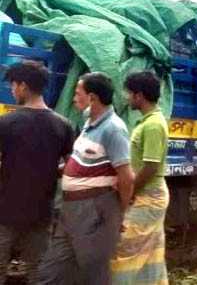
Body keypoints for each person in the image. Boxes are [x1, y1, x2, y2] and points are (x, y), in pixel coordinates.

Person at [39, 72, 135, 285]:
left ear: (92, 98)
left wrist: (118, 214)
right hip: (71, 209)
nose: (73, 99)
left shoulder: (113, 129)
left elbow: (126, 177)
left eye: (77, 93)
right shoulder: (90, 123)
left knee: (95, 273)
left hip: (95, 209)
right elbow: (82, 163)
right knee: (52, 271)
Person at [0, 61, 74, 284]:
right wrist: (49, 170)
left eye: (13, 86)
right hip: (41, 212)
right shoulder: (63, 125)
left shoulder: (7, 123)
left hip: (5, 210)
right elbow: (71, 167)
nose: (13, 91)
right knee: (38, 271)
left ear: (23, 86)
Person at [111, 71, 170, 284]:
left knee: (126, 248)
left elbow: (151, 165)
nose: (127, 97)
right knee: (149, 252)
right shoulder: (148, 121)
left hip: (148, 196)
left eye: (129, 93)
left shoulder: (153, 124)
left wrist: (130, 192)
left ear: (139, 95)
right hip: (147, 194)